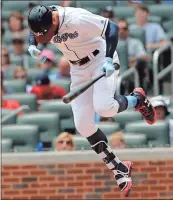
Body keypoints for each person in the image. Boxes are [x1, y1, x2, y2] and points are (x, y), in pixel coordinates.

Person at [27, 5, 156, 197]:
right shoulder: (44, 19)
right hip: (77, 70)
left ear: (53, 21)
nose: (45, 37)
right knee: (83, 125)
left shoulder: (76, 18)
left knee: (105, 107)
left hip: (100, 60)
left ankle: (137, 100)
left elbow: (112, 27)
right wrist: (32, 44)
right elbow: (34, 30)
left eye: (46, 33)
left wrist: (107, 59)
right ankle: (119, 168)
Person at [118, 18, 149, 88]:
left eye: (124, 29)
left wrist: (134, 59)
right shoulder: (112, 43)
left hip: (130, 67)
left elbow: (144, 56)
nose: (121, 31)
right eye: (119, 28)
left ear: (128, 30)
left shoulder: (135, 42)